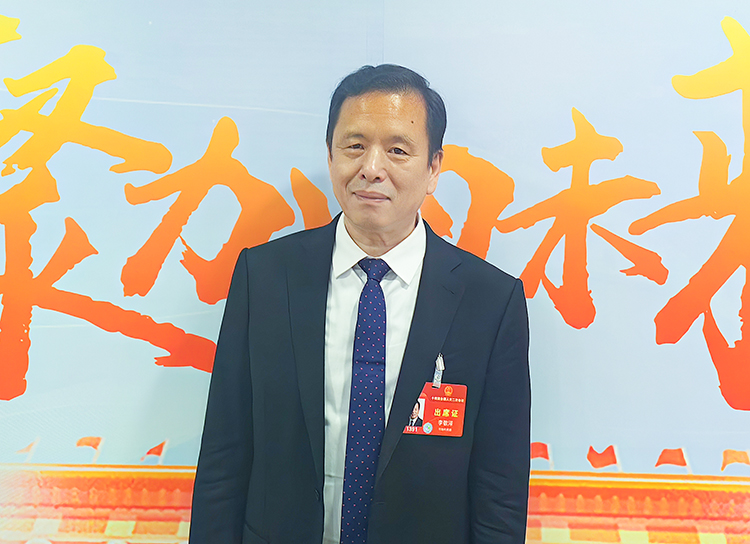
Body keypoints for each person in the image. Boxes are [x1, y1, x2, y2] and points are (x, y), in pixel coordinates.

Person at [190, 64, 530, 544]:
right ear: (330, 156)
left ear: (434, 168)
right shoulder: (264, 277)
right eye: (354, 146)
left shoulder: (491, 301)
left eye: (397, 150)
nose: (372, 167)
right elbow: (224, 454)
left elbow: (500, 487)